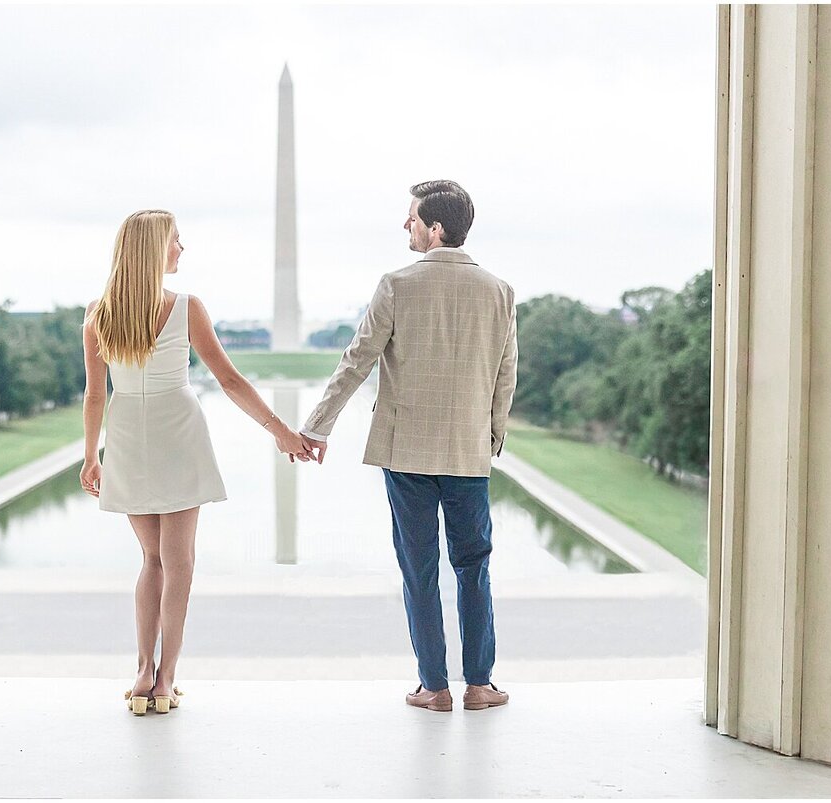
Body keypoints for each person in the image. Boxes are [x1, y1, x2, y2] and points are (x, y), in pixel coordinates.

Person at [79, 209, 314, 716]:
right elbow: (229, 381)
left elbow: (95, 395)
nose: (182, 249)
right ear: (154, 249)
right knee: (180, 563)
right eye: (176, 241)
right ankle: (166, 680)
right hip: (177, 431)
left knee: (152, 560)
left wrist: (91, 455)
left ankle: (142, 673)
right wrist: (281, 432)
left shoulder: (98, 312)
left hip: (126, 435)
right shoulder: (186, 307)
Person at [299, 180, 518, 713]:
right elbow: (504, 375)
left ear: (435, 228)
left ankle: (434, 687)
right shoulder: (499, 291)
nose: (406, 226)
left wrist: (317, 425)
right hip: (468, 452)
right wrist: (490, 435)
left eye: (412, 218)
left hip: (407, 453)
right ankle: (481, 685)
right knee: (474, 565)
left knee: (419, 567)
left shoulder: (396, 284)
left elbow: (357, 359)